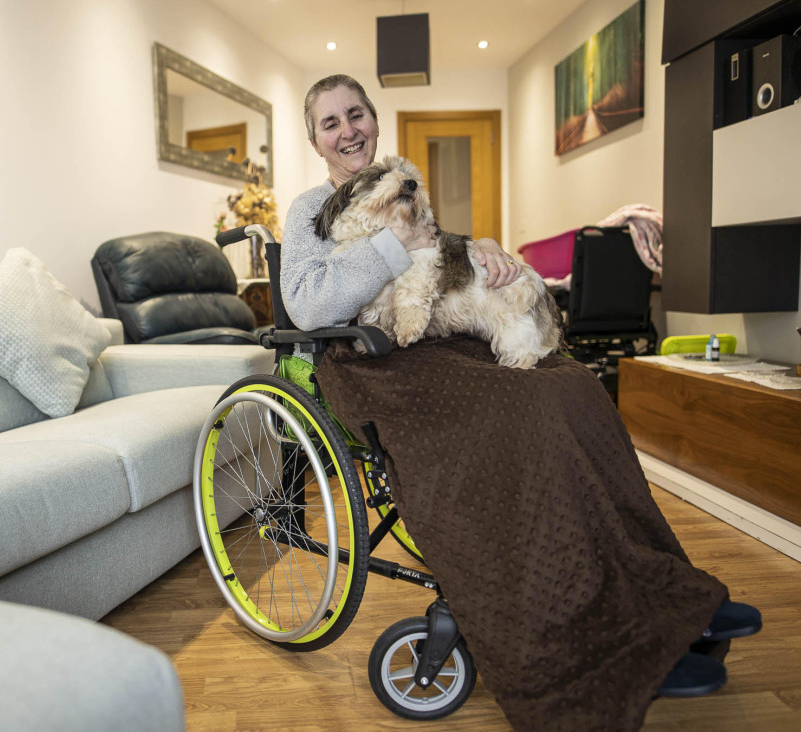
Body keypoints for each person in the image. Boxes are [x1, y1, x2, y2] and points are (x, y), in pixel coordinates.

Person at [281, 74, 761, 731]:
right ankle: (595, 638)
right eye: (330, 122)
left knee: (571, 386)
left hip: (441, 343)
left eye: (355, 114)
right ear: (315, 140)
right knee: (520, 414)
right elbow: (307, 305)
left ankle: (658, 590)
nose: (347, 130)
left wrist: (481, 248)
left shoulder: (401, 185)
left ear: (374, 119)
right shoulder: (310, 208)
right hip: (373, 362)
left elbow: (437, 257)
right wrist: (396, 246)